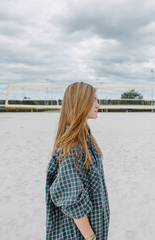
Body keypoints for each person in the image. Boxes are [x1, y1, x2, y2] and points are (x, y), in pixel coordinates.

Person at [46, 82, 109, 240]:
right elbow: (72, 201)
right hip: (78, 234)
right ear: (81, 103)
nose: (98, 105)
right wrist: (90, 237)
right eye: (94, 99)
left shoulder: (85, 136)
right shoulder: (73, 146)